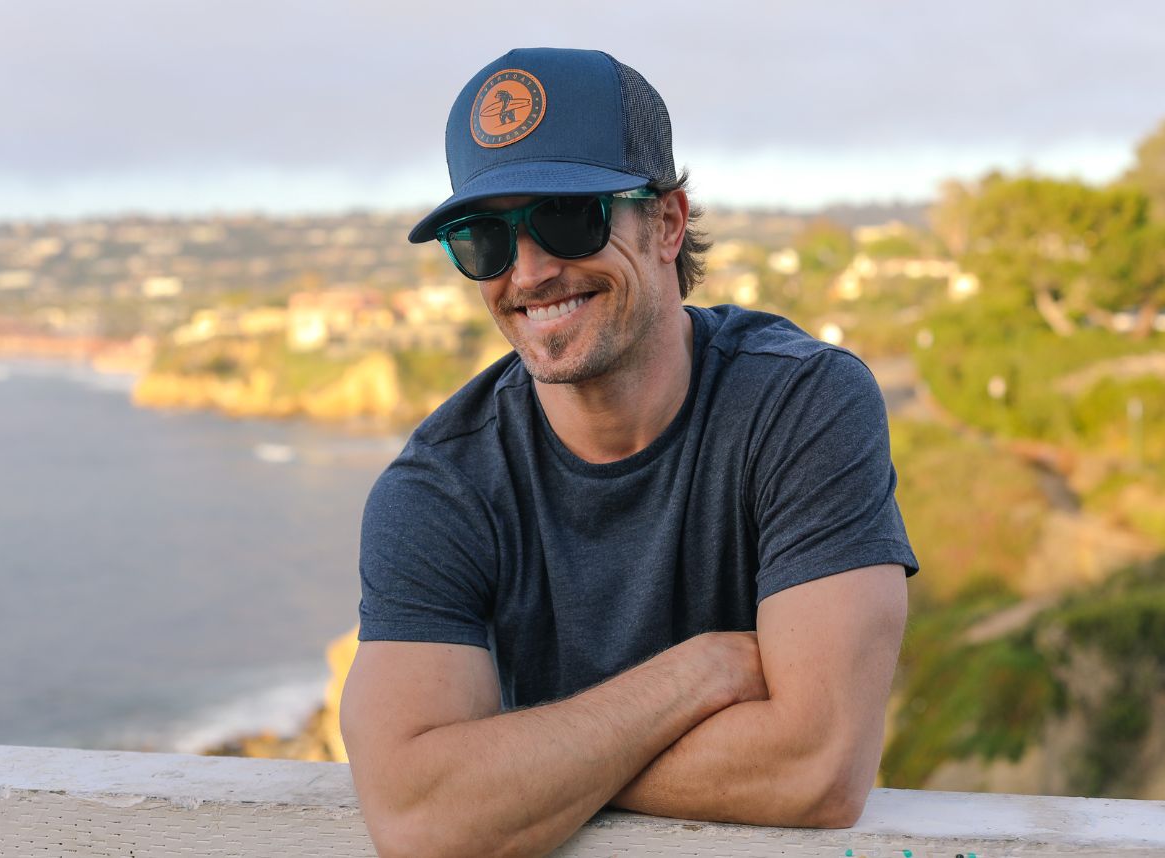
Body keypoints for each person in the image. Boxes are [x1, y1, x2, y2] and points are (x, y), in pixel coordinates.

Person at [341, 47, 919, 858]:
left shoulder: (802, 406)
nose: (531, 271)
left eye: (569, 219)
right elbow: (417, 814)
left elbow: (818, 768)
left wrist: (518, 768)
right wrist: (705, 672)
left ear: (668, 223)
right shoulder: (440, 487)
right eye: (484, 240)